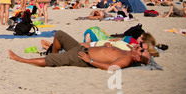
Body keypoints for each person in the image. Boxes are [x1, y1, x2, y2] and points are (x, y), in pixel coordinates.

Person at [8, 30, 150, 70]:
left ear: (137, 58)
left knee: (51, 60)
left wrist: (91, 60)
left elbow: (111, 67)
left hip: (81, 57)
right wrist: (109, 46)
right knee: (59, 35)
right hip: (82, 49)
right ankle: (54, 55)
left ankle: (20, 59)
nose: (141, 49)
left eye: (142, 51)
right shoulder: (128, 51)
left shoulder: (127, 59)